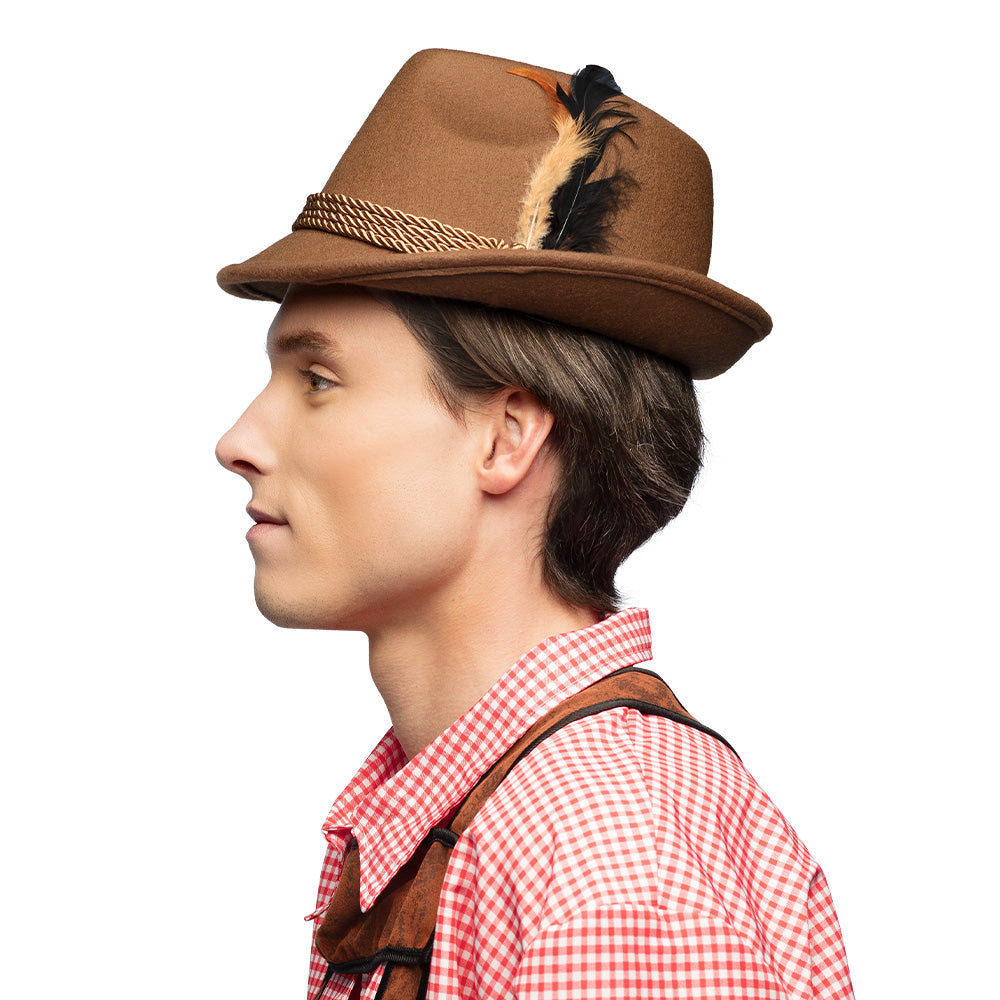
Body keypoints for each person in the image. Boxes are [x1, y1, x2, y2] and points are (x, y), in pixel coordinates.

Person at [215, 49, 853, 1000]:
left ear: (507, 435)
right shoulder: (494, 819)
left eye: (318, 379)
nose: (237, 441)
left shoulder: (603, 866)